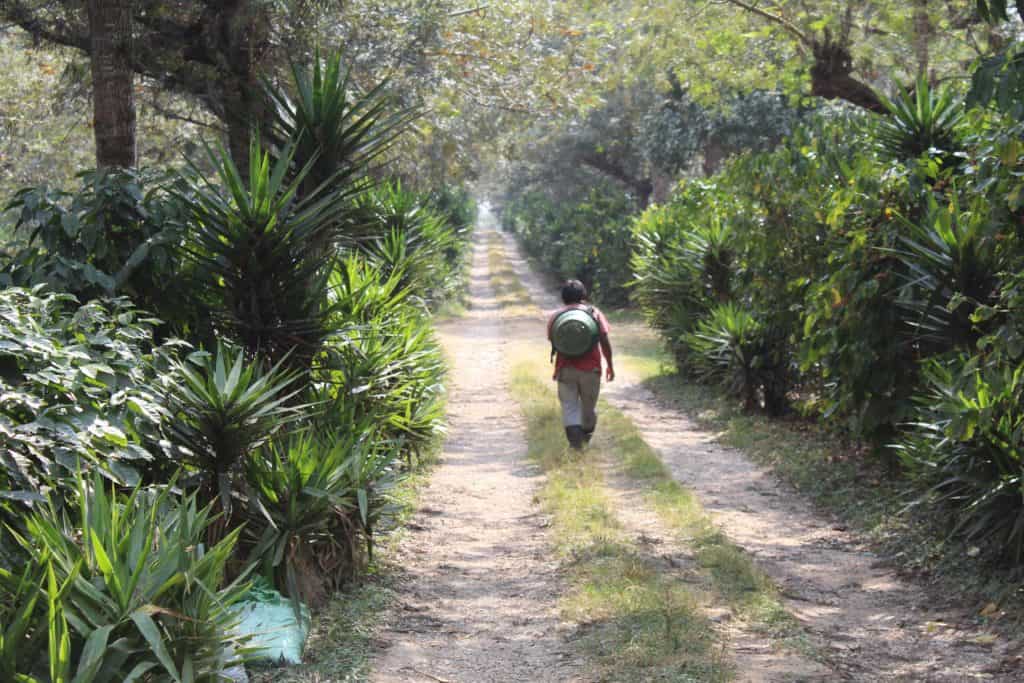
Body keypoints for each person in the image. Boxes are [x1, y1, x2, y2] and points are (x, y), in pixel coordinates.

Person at [546, 279, 614, 450]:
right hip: (591, 369)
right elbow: (604, 340)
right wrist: (610, 365)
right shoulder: (594, 313)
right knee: (588, 409)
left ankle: (576, 447)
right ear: (584, 295)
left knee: (569, 408)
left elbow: (553, 340)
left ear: (563, 297)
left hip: (565, 369)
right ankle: (583, 443)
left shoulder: (557, 317)